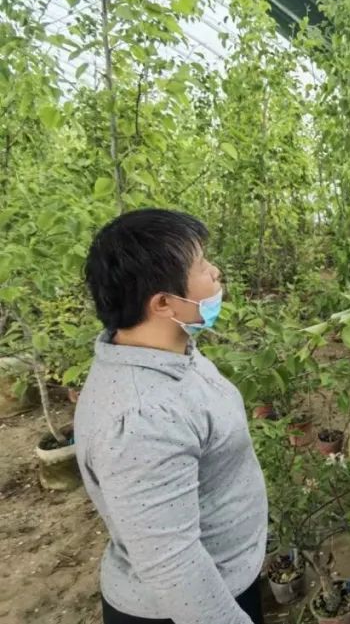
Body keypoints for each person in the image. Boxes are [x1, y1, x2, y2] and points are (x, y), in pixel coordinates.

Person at [77, 209, 267, 624]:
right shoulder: (142, 420)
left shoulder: (168, 353)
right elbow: (174, 568)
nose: (215, 273)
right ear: (163, 303)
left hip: (226, 580)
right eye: (202, 266)